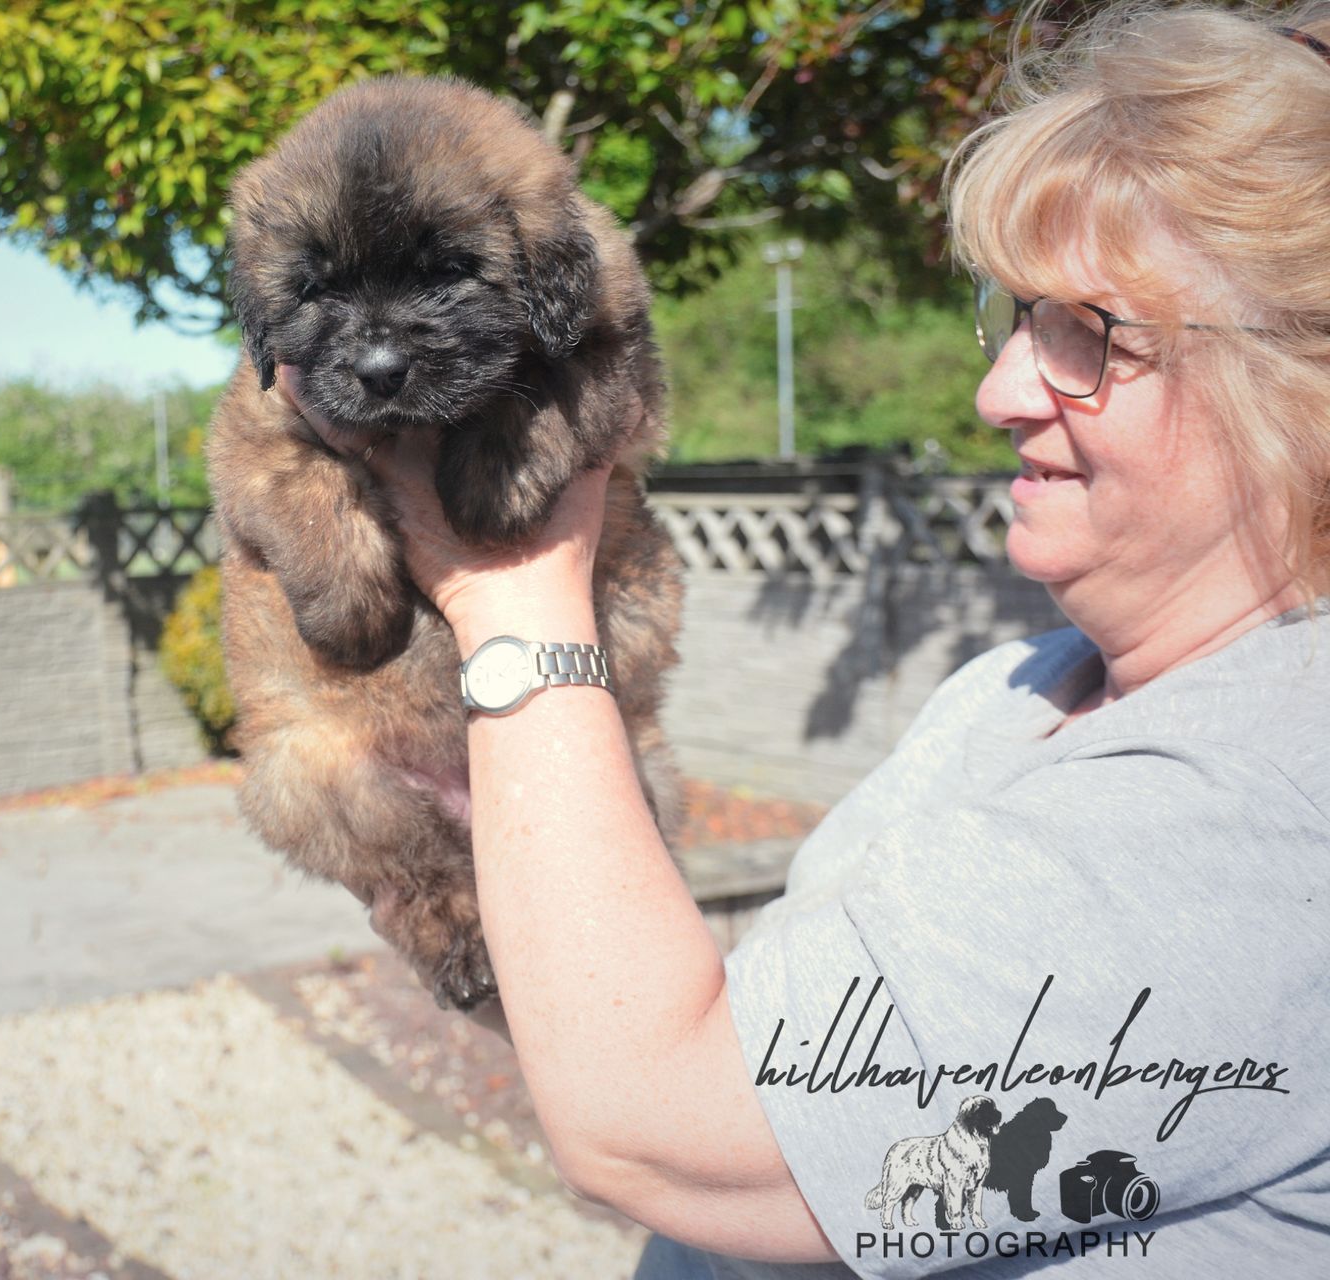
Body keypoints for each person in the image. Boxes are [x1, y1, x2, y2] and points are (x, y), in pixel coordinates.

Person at [278, 2, 1330, 1274]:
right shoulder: (1018, 688)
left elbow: (661, 1121)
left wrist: (507, 596)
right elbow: (740, 1027)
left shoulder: (1260, 809)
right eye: (1014, 319)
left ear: (1299, 383)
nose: (998, 394)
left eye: (1088, 335)